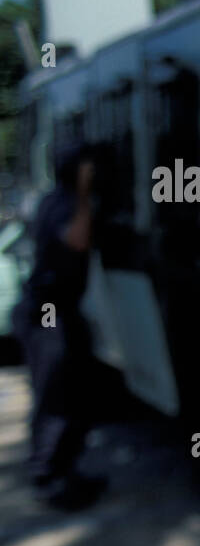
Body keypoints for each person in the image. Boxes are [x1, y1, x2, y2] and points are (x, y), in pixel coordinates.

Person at [10, 142, 108, 510]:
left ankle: (66, 471)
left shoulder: (54, 197)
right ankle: (48, 478)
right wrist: (85, 194)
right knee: (55, 397)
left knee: (75, 394)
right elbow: (77, 240)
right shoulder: (66, 202)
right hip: (46, 312)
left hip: (57, 309)